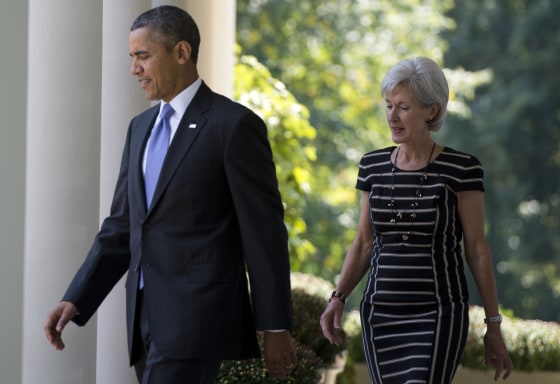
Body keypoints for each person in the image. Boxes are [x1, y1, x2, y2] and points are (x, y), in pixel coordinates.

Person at [44, 5, 297, 384]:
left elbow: (264, 232)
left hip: (198, 320)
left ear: (181, 52)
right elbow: (123, 225)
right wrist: (77, 297)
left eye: (143, 57)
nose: (134, 69)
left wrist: (275, 325)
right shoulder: (140, 128)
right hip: (143, 319)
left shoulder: (234, 126)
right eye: (132, 58)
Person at [320, 56, 513, 383]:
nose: (392, 116)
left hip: (438, 313)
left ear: (432, 110)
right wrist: (337, 298)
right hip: (380, 313)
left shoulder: (462, 169)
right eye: (388, 105)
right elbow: (364, 243)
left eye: (404, 107)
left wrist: (493, 324)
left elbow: (477, 250)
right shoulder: (372, 167)